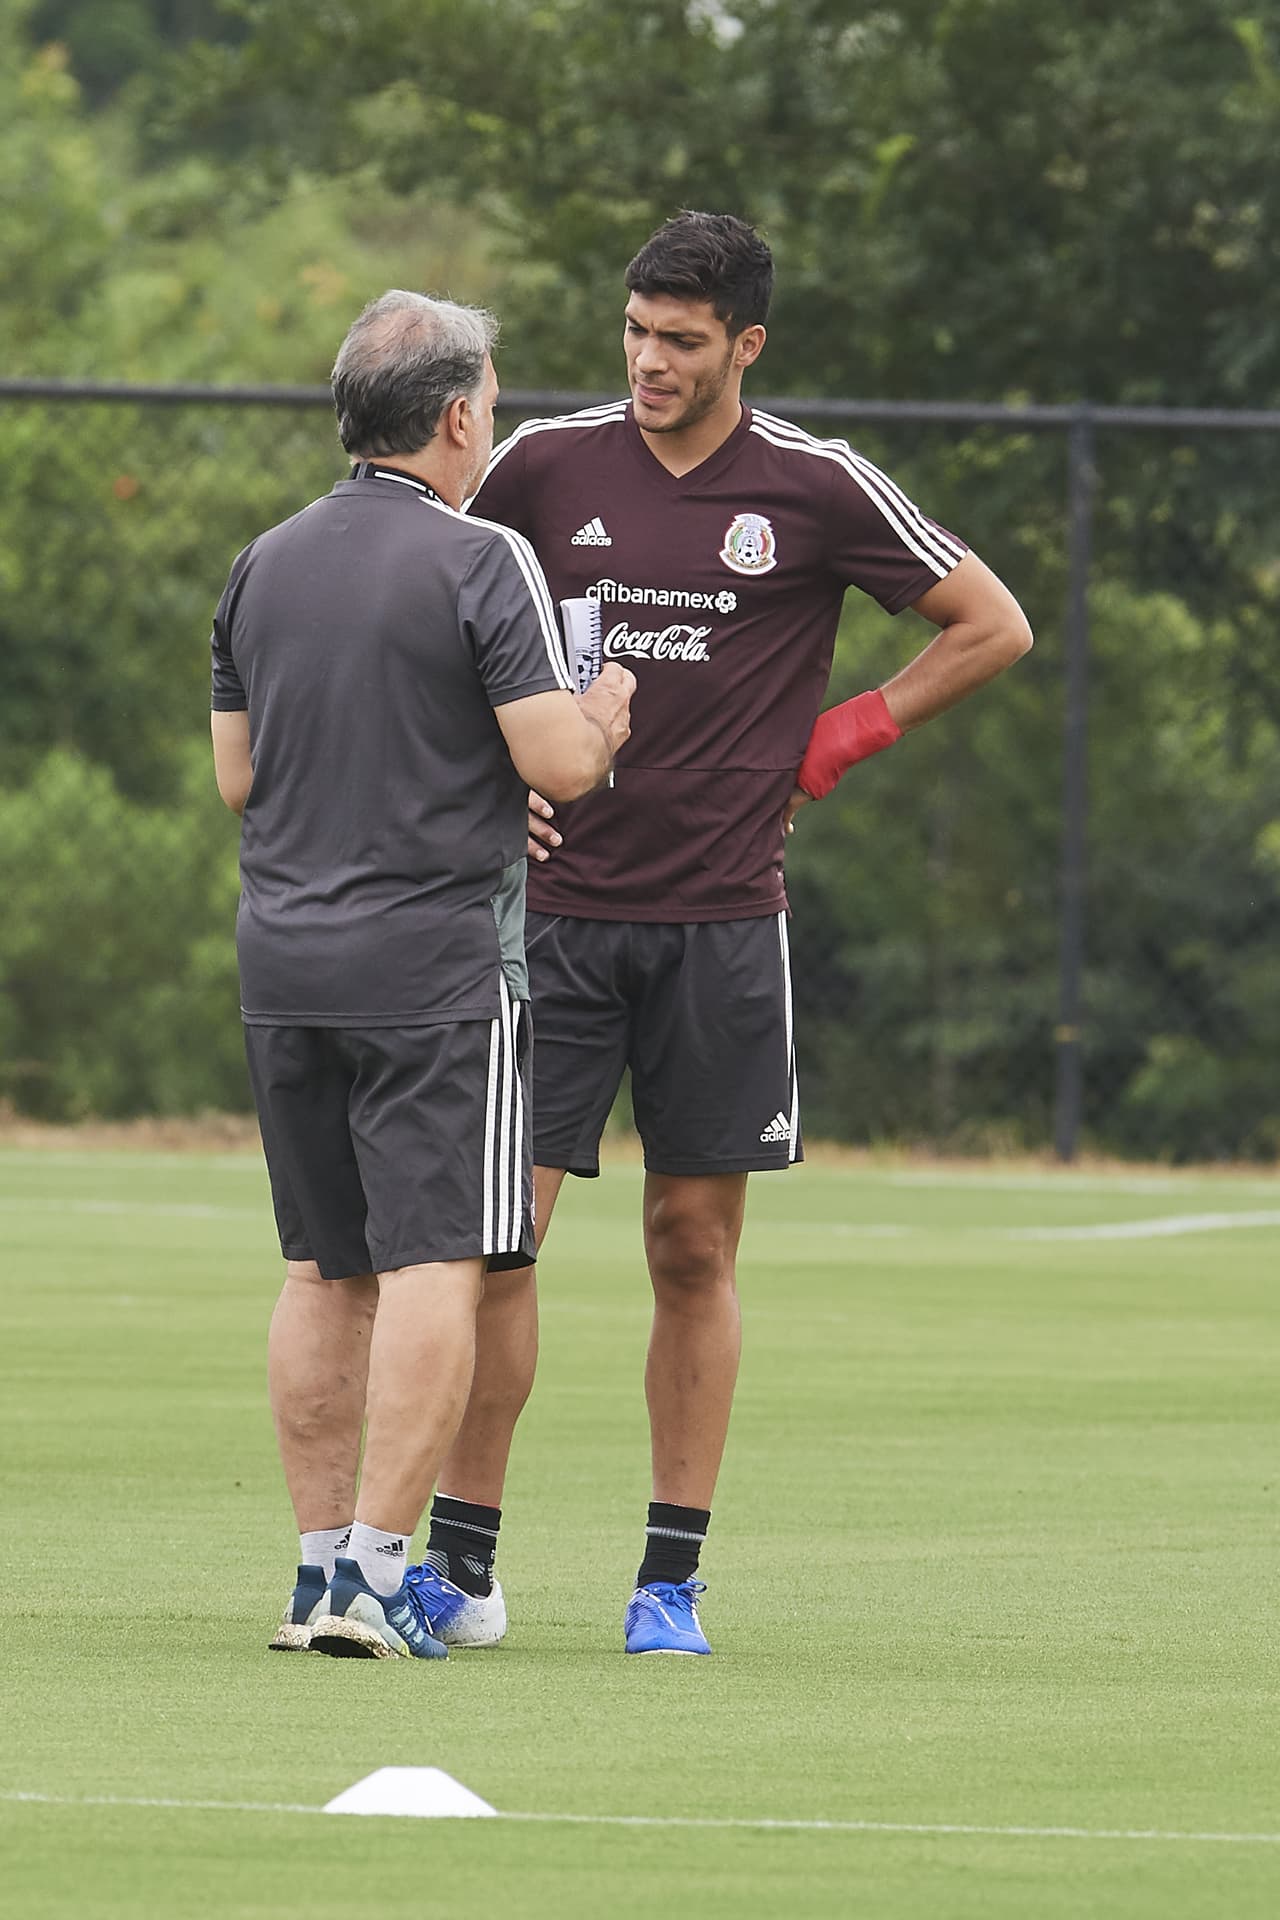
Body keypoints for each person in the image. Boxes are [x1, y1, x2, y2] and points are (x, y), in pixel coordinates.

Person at [409, 212, 1033, 1657]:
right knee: (501, 1245)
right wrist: (488, 784)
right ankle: (464, 1564)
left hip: (721, 930)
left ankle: (667, 1584)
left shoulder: (814, 486)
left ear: (746, 345)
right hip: (546, 926)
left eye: (682, 340)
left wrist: (835, 743)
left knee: (691, 1248)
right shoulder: (540, 464)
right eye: (636, 331)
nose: (649, 361)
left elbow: (990, 623)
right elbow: (417, 614)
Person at [208, 289, 634, 1660]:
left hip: (284, 957)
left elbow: (240, 780)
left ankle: (317, 1569)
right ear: (458, 416)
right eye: (492, 398)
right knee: (437, 1257)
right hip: (435, 969)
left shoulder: (261, 562)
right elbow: (561, 765)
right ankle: (389, 1580)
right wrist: (606, 715)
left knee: (321, 1268)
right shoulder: (484, 557)